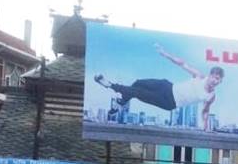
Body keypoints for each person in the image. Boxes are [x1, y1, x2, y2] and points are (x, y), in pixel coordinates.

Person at [94, 43, 223, 131]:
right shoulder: (200, 76)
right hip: (167, 86)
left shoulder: (211, 96)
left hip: (169, 101)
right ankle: (122, 101)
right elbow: (182, 64)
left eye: (219, 80)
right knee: (138, 82)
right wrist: (164, 53)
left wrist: (206, 126)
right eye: (215, 78)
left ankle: (109, 85)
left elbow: (205, 111)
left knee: (137, 92)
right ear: (210, 75)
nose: (216, 81)